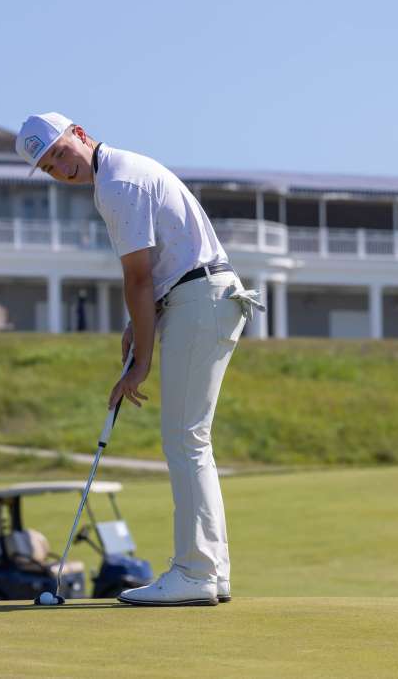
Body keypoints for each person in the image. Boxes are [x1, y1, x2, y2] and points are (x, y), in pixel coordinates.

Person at [16, 112, 264, 606]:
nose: (60, 169)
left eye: (61, 153)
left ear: (80, 135)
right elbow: (152, 277)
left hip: (200, 300)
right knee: (192, 441)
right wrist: (139, 325)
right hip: (199, 297)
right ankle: (210, 573)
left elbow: (138, 280)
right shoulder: (121, 173)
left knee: (185, 440)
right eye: (48, 167)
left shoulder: (117, 183)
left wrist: (139, 365)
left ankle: (195, 571)